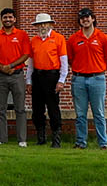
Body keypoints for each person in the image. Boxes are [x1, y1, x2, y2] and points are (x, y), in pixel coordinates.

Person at [0, 7, 32, 145]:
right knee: (0, 109)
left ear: (15, 19)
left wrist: (10, 66)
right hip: (1, 76)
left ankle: (22, 139)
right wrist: (1, 67)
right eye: (5, 17)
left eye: (10, 17)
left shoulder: (22, 35)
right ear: (1, 19)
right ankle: (1, 139)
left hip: (17, 75)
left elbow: (26, 54)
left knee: (20, 108)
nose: (8, 19)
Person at [69, 8, 107, 148]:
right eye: (82, 18)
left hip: (97, 79)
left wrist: (97, 69)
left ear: (93, 19)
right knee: (80, 114)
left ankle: (103, 143)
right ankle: (81, 142)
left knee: (98, 113)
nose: (85, 20)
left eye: (87, 17)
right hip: (79, 79)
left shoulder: (103, 37)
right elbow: (70, 59)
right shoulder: (73, 39)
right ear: (79, 21)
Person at [28, 12, 70, 146]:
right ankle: (41, 138)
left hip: (52, 76)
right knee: (37, 109)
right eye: (39, 24)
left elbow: (64, 61)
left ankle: (56, 139)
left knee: (53, 108)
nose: (42, 27)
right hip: (38, 76)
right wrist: (28, 81)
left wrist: (61, 80)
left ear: (50, 24)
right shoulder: (34, 40)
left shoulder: (59, 38)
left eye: (45, 24)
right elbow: (30, 63)